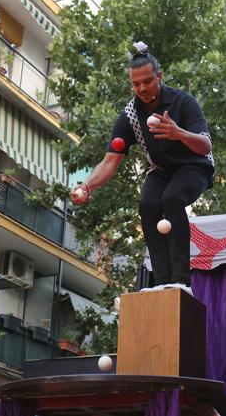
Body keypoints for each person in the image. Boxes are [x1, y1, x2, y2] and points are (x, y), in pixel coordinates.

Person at [70, 42, 215, 296]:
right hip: (161, 169)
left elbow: (205, 146)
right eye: (136, 84)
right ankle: (161, 281)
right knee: (148, 204)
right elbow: (109, 161)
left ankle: (181, 280)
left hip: (195, 166)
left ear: (159, 76)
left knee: (171, 199)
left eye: (148, 81)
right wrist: (87, 185)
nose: (143, 89)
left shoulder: (183, 102)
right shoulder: (130, 115)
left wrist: (178, 133)